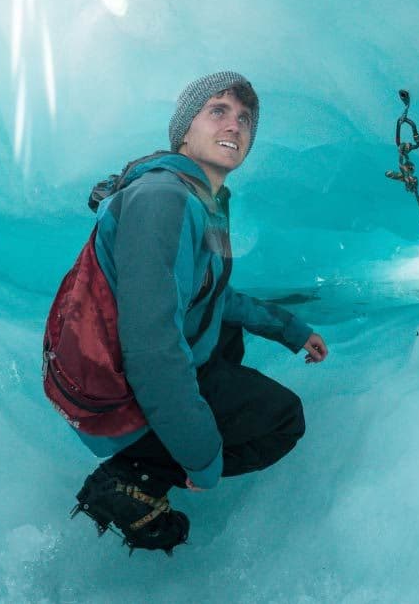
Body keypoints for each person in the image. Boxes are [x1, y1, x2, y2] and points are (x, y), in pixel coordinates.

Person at [71, 71, 328, 553]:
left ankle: (160, 441)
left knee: (227, 336)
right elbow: (153, 348)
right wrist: (201, 458)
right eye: (218, 111)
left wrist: (289, 329)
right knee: (284, 421)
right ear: (185, 129)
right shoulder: (164, 201)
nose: (235, 125)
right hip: (120, 393)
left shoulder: (203, 200)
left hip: (138, 370)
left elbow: (210, 295)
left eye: (245, 118)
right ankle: (133, 473)